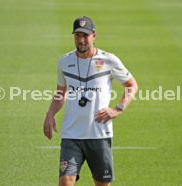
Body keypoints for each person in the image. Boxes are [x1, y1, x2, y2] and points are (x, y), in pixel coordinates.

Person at [43, 16, 138, 186]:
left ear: (94, 36)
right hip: (71, 135)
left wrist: (118, 109)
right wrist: (50, 113)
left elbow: (131, 85)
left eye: (85, 35)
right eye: (77, 35)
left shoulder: (109, 60)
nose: (81, 40)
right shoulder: (64, 62)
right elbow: (60, 92)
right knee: (65, 182)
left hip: (99, 135)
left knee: (102, 184)